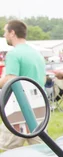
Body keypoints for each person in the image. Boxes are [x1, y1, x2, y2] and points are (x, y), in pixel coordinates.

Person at [0, 20, 46, 150]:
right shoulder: (37, 54)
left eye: (5, 32)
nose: (4, 35)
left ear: (12, 33)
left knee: (10, 149)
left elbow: (11, 79)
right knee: (41, 148)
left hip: (19, 107)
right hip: (39, 106)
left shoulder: (14, 54)